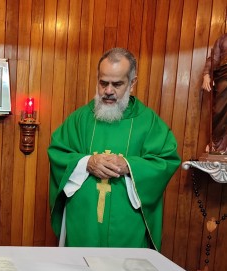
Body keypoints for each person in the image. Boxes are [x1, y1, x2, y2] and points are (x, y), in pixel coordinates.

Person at [48, 48, 181, 251]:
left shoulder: (149, 122)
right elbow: (58, 152)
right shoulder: (81, 119)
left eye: (117, 84)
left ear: (132, 83)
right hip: (84, 223)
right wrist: (86, 163)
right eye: (103, 83)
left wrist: (129, 165)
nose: (108, 91)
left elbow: (166, 160)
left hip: (127, 224)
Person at [201, 33, 227, 153]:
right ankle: (216, 144)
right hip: (224, 76)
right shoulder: (223, 39)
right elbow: (214, 58)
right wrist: (206, 74)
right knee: (219, 109)